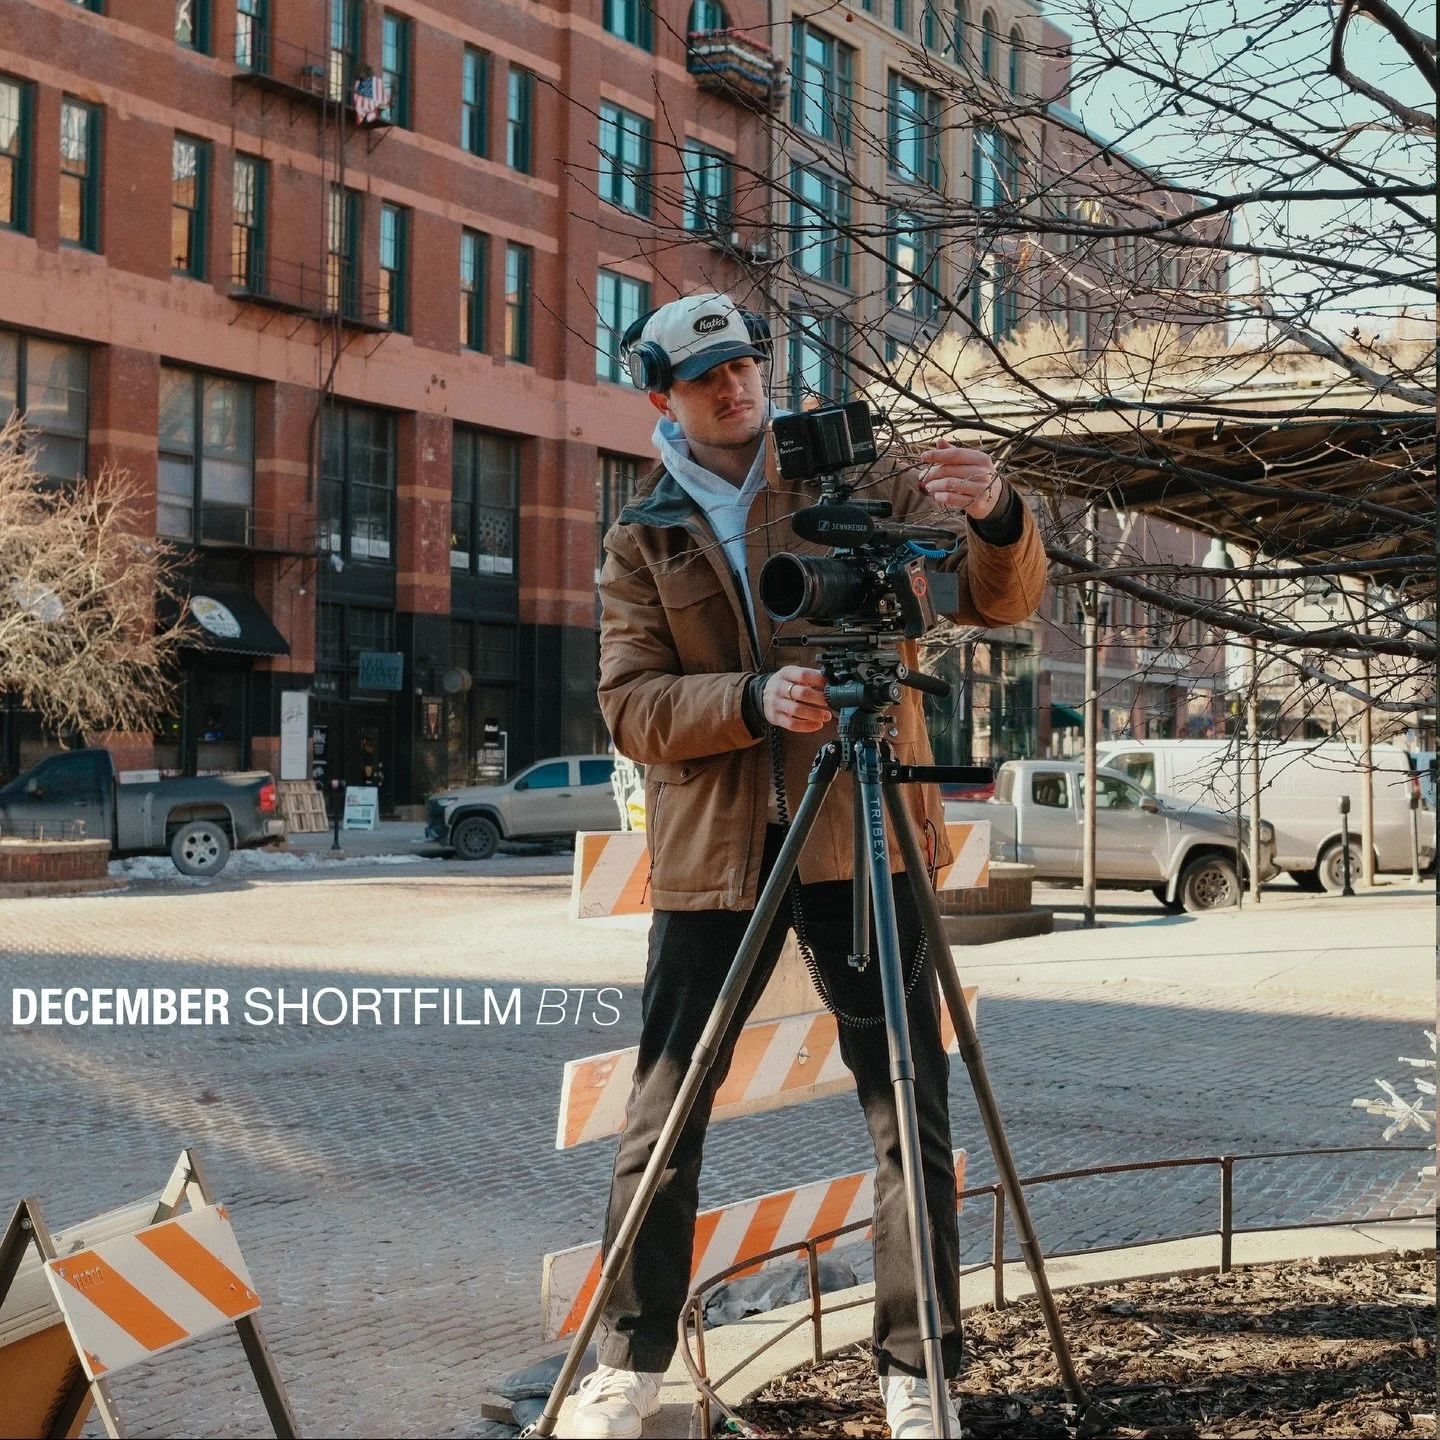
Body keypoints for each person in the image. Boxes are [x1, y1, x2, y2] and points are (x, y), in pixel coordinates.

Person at [575, 292, 1046, 1439]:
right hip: (712, 862)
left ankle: (917, 1370)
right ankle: (627, 1369)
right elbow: (629, 705)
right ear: (663, 401)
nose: (736, 389)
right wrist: (749, 700)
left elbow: (999, 600)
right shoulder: (643, 531)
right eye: (707, 379)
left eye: (745, 366)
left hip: (863, 830)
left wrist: (995, 512)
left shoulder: (853, 472)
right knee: (664, 1117)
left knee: (909, 1111)